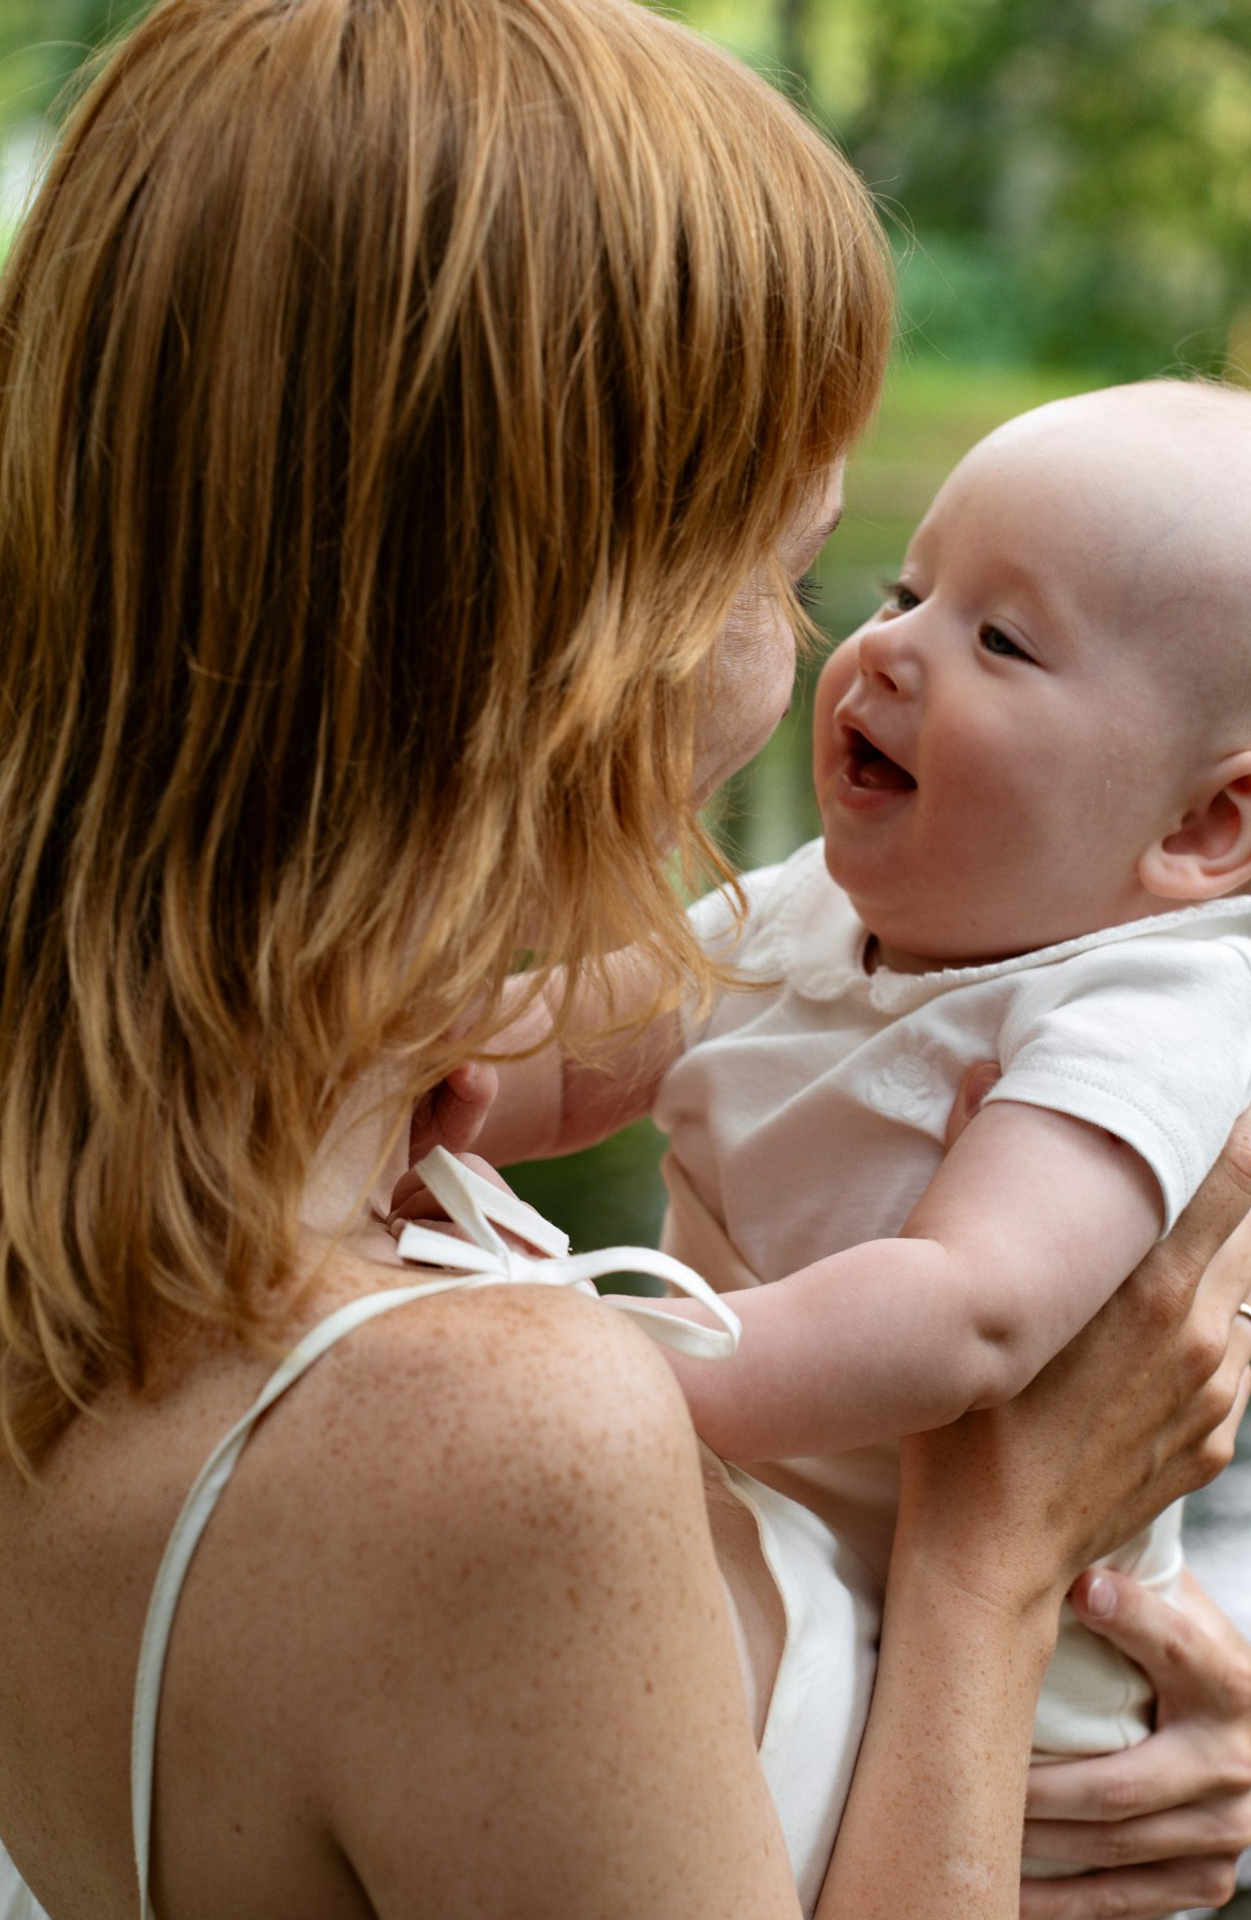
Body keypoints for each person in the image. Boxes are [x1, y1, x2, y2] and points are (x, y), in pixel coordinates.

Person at [0, 1, 1247, 1916]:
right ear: (564, 629)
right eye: (807, 575)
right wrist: (993, 1575)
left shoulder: (135, 1165)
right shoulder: (509, 1440)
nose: (835, 656)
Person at [475, 379, 1251, 1859]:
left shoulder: (1149, 1015)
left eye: (1002, 639)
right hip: (770, 1543)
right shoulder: (829, 900)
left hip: (976, 1697)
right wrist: (428, 1082)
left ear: (1203, 829)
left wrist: (600, 1385)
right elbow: (595, 1036)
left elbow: (965, 1313)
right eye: (908, 589)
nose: (889, 648)